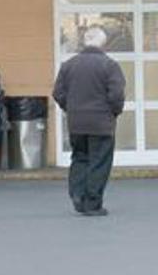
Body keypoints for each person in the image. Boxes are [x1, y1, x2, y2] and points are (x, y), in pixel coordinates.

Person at [53, 27, 125, 217]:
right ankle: (93, 203)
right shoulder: (109, 65)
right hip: (101, 123)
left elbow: (58, 93)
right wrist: (114, 112)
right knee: (99, 162)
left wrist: (71, 108)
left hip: (76, 122)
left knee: (79, 157)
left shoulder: (68, 65)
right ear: (104, 44)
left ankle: (77, 194)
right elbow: (117, 95)